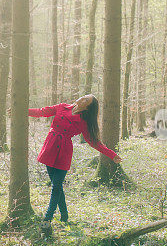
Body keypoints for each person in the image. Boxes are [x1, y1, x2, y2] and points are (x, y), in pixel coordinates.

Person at [28, 94, 122, 224]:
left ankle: (47, 218)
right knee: (57, 186)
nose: (82, 98)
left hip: (64, 152)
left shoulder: (85, 121)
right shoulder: (62, 107)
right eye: (84, 96)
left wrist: (112, 155)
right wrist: (23, 111)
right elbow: (42, 112)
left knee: (56, 186)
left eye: (86, 100)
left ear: (87, 108)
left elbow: (94, 142)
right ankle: (65, 215)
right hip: (50, 147)